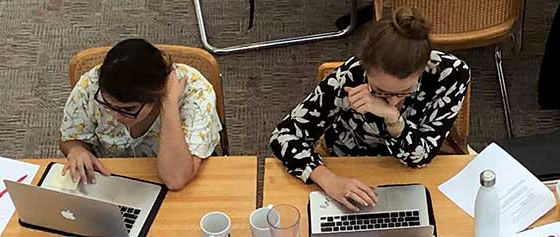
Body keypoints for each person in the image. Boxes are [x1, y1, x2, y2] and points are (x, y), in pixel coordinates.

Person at [270, 7, 470, 212]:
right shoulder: (348, 77)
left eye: (405, 92)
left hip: (414, 171)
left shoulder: (450, 75)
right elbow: (283, 136)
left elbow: (420, 157)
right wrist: (328, 180)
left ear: (422, 70)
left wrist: (394, 119)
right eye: (381, 91)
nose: (392, 101)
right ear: (365, 69)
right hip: (352, 164)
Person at [60, 38, 222, 189]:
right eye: (107, 104)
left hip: (171, 182)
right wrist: (77, 150)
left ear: (156, 95)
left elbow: (175, 179)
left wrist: (168, 103)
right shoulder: (91, 85)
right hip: (113, 179)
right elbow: (70, 138)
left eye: (128, 109)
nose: (116, 115)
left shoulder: (195, 94)